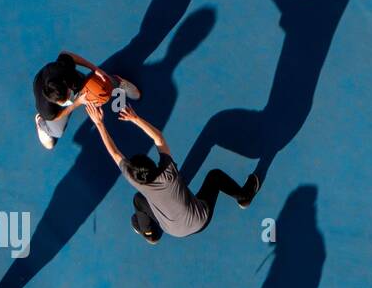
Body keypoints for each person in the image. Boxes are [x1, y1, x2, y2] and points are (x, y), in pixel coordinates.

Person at [84, 101, 259, 243]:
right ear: (152, 164)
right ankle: (244, 197)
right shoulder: (168, 172)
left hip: (172, 231)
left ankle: (150, 234)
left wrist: (99, 123)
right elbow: (158, 138)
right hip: (200, 220)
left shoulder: (135, 181)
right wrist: (134, 118)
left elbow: (114, 153)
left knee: (139, 200)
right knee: (214, 176)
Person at [32, 51, 140, 150]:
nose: (69, 99)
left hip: (68, 81)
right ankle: (42, 125)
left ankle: (116, 82)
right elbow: (57, 116)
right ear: (56, 103)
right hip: (53, 108)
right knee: (54, 137)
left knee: (96, 85)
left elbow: (66, 55)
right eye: (64, 101)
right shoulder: (46, 110)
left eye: (68, 95)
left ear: (65, 84)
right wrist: (77, 102)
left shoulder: (61, 70)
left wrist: (95, 69)